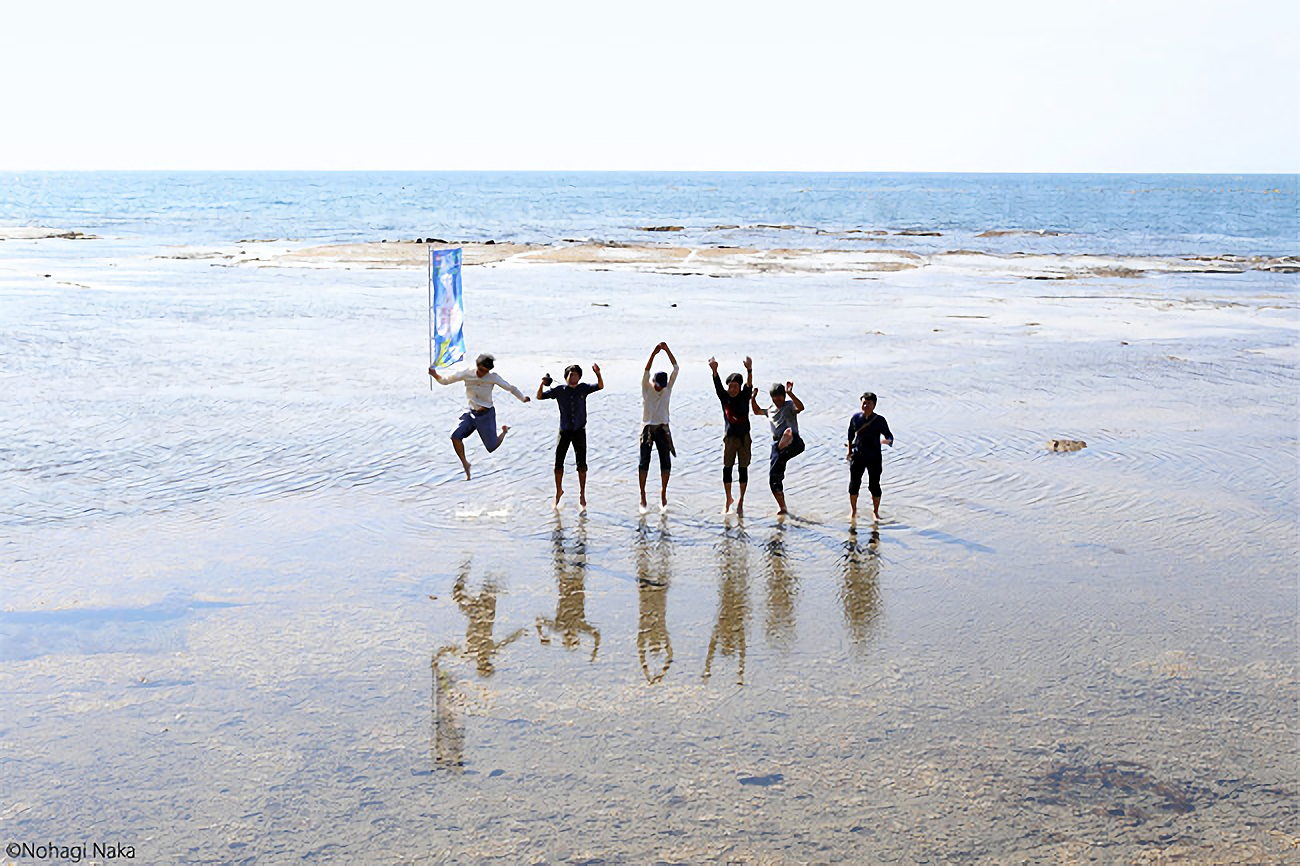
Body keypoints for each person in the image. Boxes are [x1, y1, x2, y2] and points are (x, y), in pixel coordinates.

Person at [429, 352, 530, 480]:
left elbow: (510, 388)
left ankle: (503, 431)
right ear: (477, 365)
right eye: (481, 370)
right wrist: (435, 375)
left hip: (486, 414)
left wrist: (523, 398)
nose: (483, 374)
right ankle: (466, 464)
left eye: (486, 372)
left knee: (491, 447)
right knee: (455, 436)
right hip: (471, 413)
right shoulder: (466, 373)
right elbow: (446, 381)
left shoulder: (492, 377)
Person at [537, 363, 604, 509]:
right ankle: (558, 491)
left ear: (579, 376)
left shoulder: (583, 388)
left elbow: (600, 386)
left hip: (579, 430)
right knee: (558, 463)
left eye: (573, 374)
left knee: (582, 464)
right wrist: (542, 383)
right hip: (565, 431)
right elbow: (540, 396)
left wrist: (598, 373)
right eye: (568, 374)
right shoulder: (560, 390)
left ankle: (582, 494)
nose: (570, 377)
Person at [708, 355, 753, 515]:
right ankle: (728, 499)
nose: (732, 389)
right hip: (729, 438)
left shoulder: (744, 396)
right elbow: (717, 385)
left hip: (744, 438)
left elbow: (749, 384)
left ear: (739, 388)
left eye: (735, 387)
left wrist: (749, 369)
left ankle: (741, 500)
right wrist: (714, 370)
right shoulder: (724, 397)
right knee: (727, 468)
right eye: (730, 387)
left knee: (743, 468)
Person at [751, 380, 805, 515]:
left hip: (794, 443)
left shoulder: (789, 406)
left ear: (784, 396)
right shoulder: (770, 409)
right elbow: (756, 411)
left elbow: (801, 407)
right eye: (775, 396)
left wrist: (790, 394)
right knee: (774, 478)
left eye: (780, 396)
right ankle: (783, 508)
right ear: (772, 397)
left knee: (789, 434)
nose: (777, 399)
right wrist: (753, 398)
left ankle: (787, 438)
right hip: (778, 446)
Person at [639, 341, 679, 512]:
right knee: (644, 463)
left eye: (662, 386)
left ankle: (663, 492)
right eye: (657, 384)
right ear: (653, 382)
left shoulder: (667, 389)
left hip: (663, 428)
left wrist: (668, 350)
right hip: (648, 429)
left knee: (666, 463)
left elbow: (676, 368)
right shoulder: (647, 388)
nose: (659, 388)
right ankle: (642, 494)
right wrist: (654, 353)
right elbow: (646, 371)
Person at [847, 391, 894, 521]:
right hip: (858, 455)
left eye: (869, 403)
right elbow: (850, 435)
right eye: (864, 403)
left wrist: (887, 441)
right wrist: (849, 451)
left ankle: (875, 512)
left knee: (874, 485)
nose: (866, 405)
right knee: (854, 484)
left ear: (874, 405)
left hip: (874, 456)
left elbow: (889, 435)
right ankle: (853, 511)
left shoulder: (879, 420)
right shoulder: (855, 418)